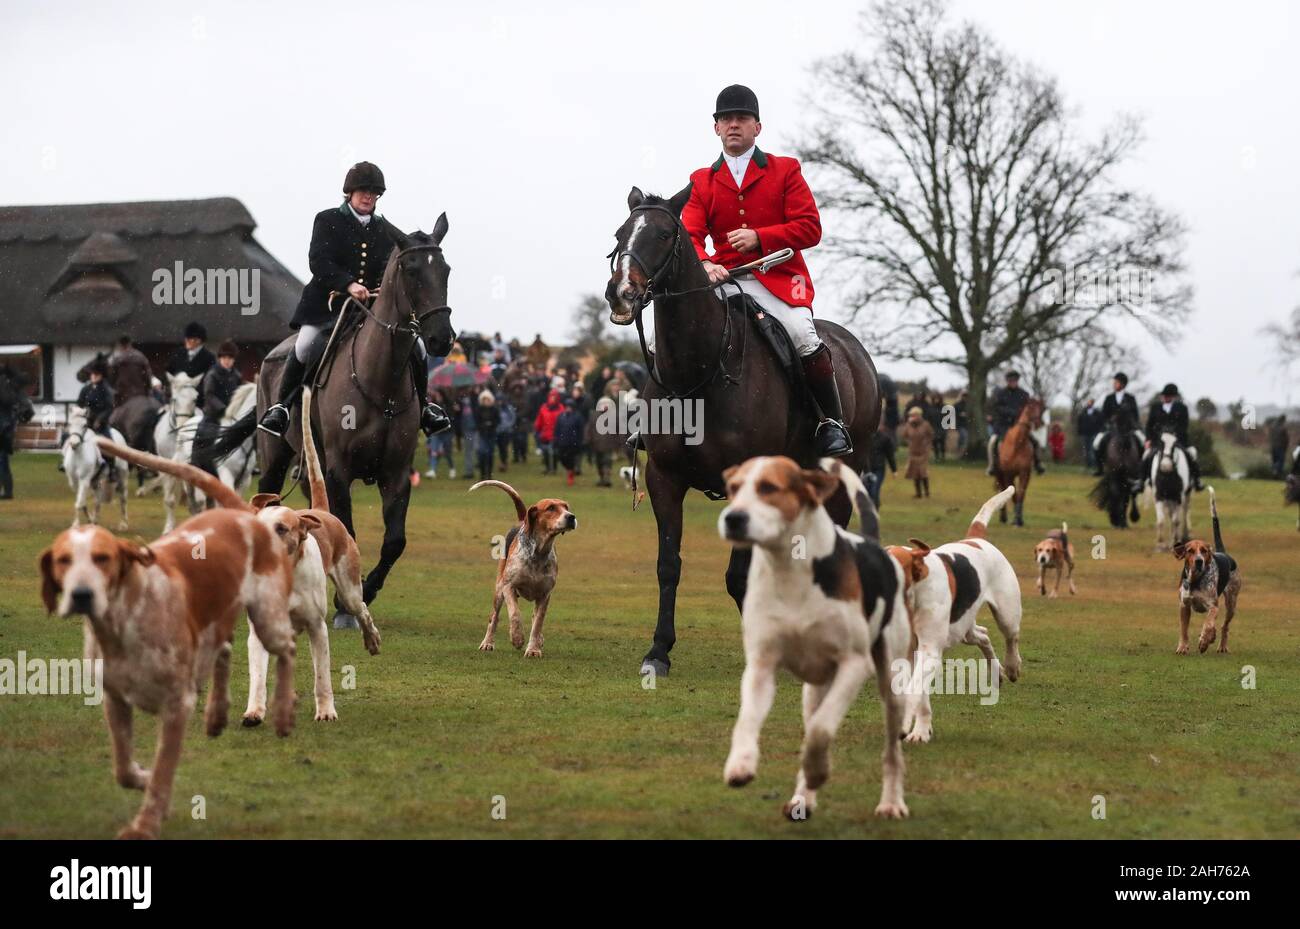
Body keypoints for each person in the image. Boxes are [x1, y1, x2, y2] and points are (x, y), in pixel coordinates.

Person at [636, 83, 850, 457]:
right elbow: (690, 233)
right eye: (726, 119)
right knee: (660, 338)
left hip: (778, 279)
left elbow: (810, 228)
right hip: (724, 279)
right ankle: (659, 421)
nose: (733, 125)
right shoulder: (702, 179)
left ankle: (830, 423)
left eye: (742, 119)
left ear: (757, 127)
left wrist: (760, 236)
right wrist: (704, 263)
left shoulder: (785, 170)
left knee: (802, 333)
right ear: (716, 128)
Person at [258, 161, 450, 439]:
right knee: (305, 344)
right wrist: (348, 283)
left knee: (417, 347)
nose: (368, 196)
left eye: (374, 193)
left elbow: (390, 269)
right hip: (328, 305)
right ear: (350, 192)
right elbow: (319, 262)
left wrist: (378, 290)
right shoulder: (327, 220)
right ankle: (281, 408)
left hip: (370, 308)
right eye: (363, 191)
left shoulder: (386, 229)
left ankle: (426, 409)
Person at [193, 341, 244, 480]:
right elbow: (209, 395)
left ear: (233, 360)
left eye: (230, 358)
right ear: (220, 358)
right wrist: (223, 409)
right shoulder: (212, 374)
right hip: (213, 414)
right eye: (225, 358)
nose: (227, 361)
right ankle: (196, 460)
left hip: (232, 414)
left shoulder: (237, 376)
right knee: (202, 432)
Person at [1141, 382, 1204, 491]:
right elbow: (1149, 425)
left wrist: (1174, 437)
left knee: (1192, 454)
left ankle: (1196, 480)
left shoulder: (1182, 408)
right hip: (1158, 441)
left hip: (1177, 441)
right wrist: (1148, 439)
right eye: (1164, 395)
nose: (1165, 397)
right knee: (1147, 456)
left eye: (1168, 395)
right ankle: (1142, 481)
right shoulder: (1155, 407)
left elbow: (1184, 426)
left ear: (1173, 396)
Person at [986, 371, 1045, 476]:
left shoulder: (1024, 394)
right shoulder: (1001, 394)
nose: (1013, 382)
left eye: (1015, 380)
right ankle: (993, 466)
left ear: (1017, 381)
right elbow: (998, 408)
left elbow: (1028, 409)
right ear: (1007, 381)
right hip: (1003, 426)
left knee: (1035, 443)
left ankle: (1037, 464)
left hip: (1019, 426)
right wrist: (1012, 412)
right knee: (992, 443)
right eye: (1011, 380)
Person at [1092, 372, 1142, 476]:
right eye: (1114, 382)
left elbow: (1135, 415)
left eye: (1116, 382)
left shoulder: (1130, 398)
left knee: (1142, 442)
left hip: (1128, 429)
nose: (1114, 384)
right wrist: (1109, 421)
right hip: (1111, 428)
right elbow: (1103, 415)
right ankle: (1100, 468)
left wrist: (1133, 425)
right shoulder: (1109, 398)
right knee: (1096, 444)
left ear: (1122, 384)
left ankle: (1140, 469)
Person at [0, 364, 35, 500]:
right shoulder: (11, 385)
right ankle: (7, 491)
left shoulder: (5, 385)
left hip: (4, 428)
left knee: (2, 461)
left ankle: (8, 492)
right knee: (3, 461)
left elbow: (7, 401)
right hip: (6, 427)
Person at [165, 321, 217, 408]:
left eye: (190, 339)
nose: (187, 341)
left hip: (198, 402)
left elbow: (209, 381)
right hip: (177, 399)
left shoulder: (209, 358)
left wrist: (190, 391)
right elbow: (168, 372)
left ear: (199, 340)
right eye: (186, 338)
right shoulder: (178, 353)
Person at [107, 334, 154, 406]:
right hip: (140, 395)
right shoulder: (140, 357)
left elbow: (111, 378)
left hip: (123, 397)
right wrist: (148, 390)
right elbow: (148, 376)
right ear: (130, 343)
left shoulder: (115, 359)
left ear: (120, 345)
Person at [900, 406, 934, 498]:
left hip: (923, 453)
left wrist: (927, 444)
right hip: (913, 453)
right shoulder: (908, 425)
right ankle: (918, 493)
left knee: (923, 473)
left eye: (914, 415)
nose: (912, 417)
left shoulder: (926, 425)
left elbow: (931, 435)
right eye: (911, 415)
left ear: (919, 415)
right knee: (915, 473)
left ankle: (927, 492)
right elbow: (903, 436)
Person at [865, 420, 898, 509]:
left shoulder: (885, 439)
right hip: (868, 468)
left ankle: (875, 508)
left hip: (879, 469)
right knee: (867, 489)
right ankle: (873, 506)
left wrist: (894, 470)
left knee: (874, 490)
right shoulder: (866, 438)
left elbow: (890, 455)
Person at [78, 359, 114, 436]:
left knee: (108, 439)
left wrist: (99, 419)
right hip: (86, 421)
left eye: (96, 374)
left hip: (101, 424)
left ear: (101, 375)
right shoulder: (85, 389)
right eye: (92, 374)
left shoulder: (106, 389)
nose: (94, 376)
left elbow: (109, 407)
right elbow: (80, 404)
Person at [554, 398, 584, 486]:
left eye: (570, 407)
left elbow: (580, 431)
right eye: (567, 406)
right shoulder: (561, 416)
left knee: (571, 459)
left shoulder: (578, 417)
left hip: (573, 443)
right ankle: (569, 470)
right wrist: (556, 439)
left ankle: (570, 473)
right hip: (562, 442)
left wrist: (579, 442)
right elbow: (557, 429)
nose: (568, 408)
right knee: (562, 458)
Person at [533, 388, 563, 474]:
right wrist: (537, 428)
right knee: (546, 452)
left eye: (554, 397)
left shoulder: (560, 408)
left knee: (554, 453)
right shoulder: (544, 407)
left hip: (556, 435)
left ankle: (554, 468)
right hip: (545, 434)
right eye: (551, 396)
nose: (552, 398)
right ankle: (547, 468)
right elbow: (539, 420)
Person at [473, 390, 500, 481]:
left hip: (491, 434)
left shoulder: (494, 409)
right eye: (484, 400)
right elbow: (477, 422)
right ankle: (482, 474)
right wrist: (483, 426)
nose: (486, 401)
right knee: (482, 454)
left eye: (488, 400)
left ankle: (489, 474)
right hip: (482, 434)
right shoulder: (479, 409)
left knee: (490, 455)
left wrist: (491, 425)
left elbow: (497, 421)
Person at [1077, 398, 1104, 469]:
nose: (1089, 403)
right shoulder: (1083, 412)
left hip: (1094, 433)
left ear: (1092, 403)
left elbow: (1100, 423)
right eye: (1088, 402)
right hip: (1085, 433)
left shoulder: (1097, 412)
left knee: (1092, 449)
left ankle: (1093, 464)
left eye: (1090, 402)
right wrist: (1080, 432)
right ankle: (1087, 464)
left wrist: (1098, 431)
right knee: (1085, 450)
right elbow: (1079, 422)